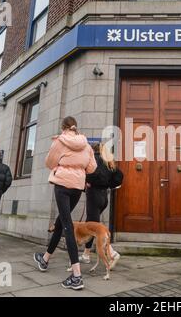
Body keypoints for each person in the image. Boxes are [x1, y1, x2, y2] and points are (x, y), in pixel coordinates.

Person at [33, 116, 97, 291]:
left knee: (67, 226)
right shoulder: (87, 145)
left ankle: (77, 276)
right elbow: (92, 168)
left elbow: (49, 162)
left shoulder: (60, 141)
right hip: (77, 187)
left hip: (62, 185)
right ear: (76, 128)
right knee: (61, 222)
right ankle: (45, 259)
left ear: (63, 128)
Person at [82, 143, 122, 269]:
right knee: (91, 226)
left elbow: (94, 175)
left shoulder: (95, 159)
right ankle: (86, 254)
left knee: (94, 228)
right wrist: (109, 185)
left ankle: (112, 253)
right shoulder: (109, 162)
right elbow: (119, 177)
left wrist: (88, 181)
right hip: (104, 198)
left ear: (93, 150)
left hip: (94, 195)